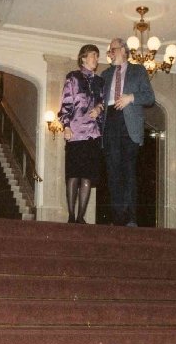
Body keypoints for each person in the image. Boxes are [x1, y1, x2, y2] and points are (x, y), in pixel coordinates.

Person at [100, 38, 155, 226]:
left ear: (124, 50)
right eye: (109, 51)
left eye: (113, 49)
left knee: (128, 170)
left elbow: (149, 97)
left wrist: (130, 97)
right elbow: (100, 99)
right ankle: (118, 218)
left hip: (129, 124)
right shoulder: (105, 74)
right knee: (113, 171)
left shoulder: (138, 70)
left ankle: (131, 218)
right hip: (110, 122)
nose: (110, 53)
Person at [58, 44, 105, 224]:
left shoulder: (100, 81)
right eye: (93, 55)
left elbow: (102, 102)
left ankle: (80, 217)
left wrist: (99, 109)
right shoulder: (73, 77)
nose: (96, 59)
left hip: (93, 134)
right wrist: (66, 126)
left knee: (87, 176)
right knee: (73, 175)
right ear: (84, 58)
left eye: (97, 56)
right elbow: (66, 104)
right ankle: (71, 216)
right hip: (75, 134)